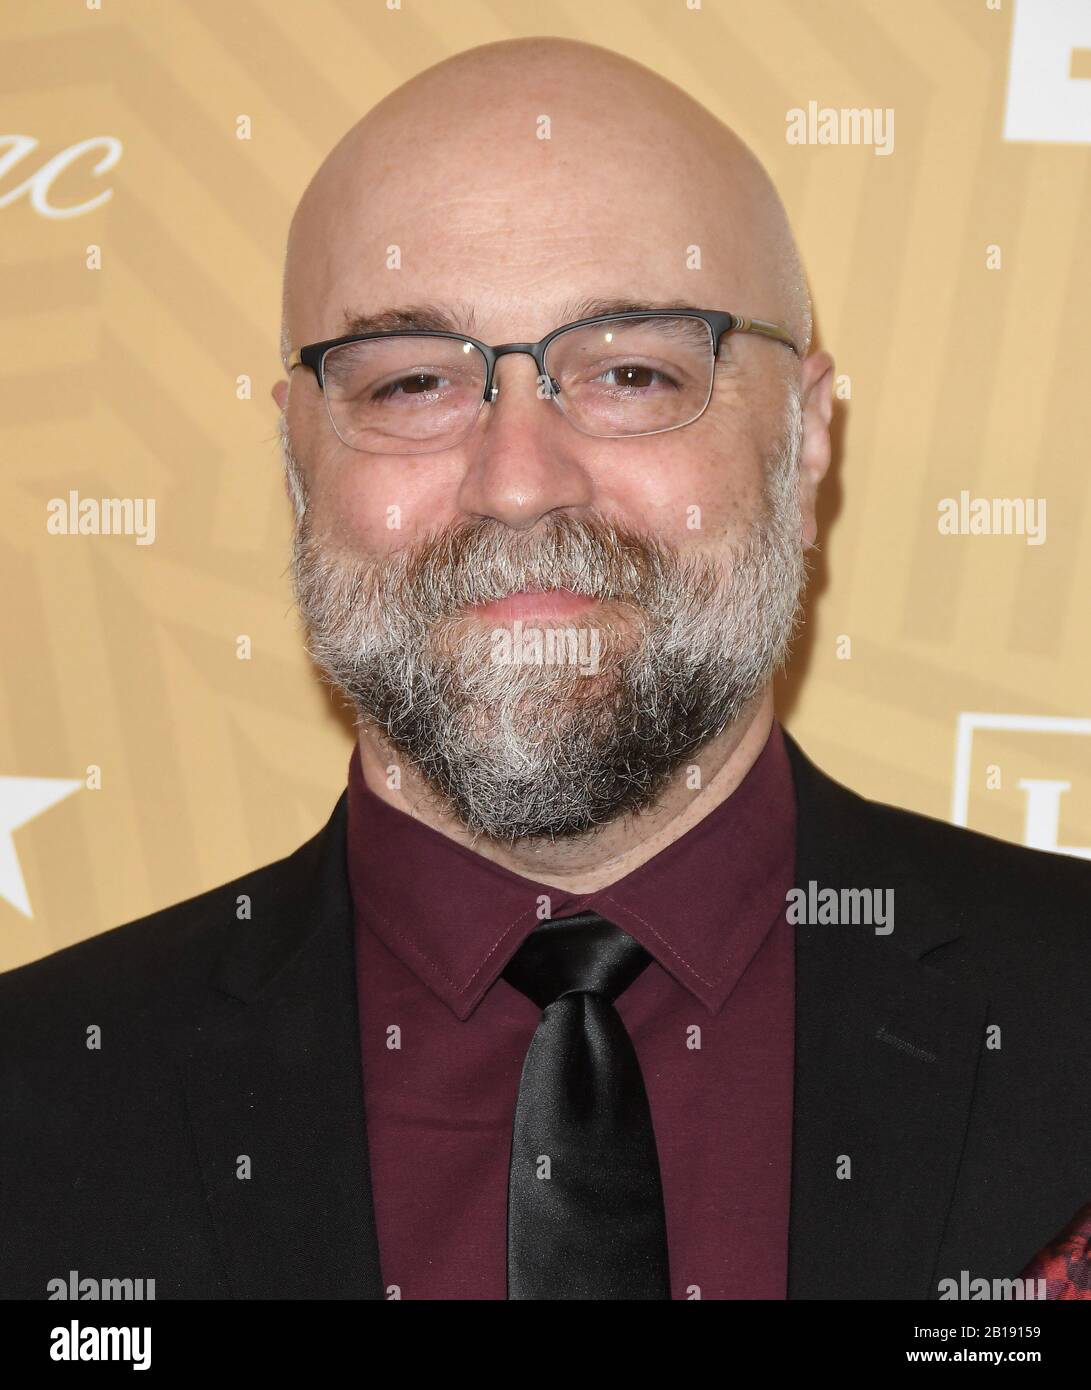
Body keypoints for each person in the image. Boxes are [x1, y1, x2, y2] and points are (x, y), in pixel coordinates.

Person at [2, 36, 1089, 1303]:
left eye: (632, 373)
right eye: (412, 382)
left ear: (803, 447)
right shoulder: (37, 1102)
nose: (517, 481)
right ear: (299, 464)